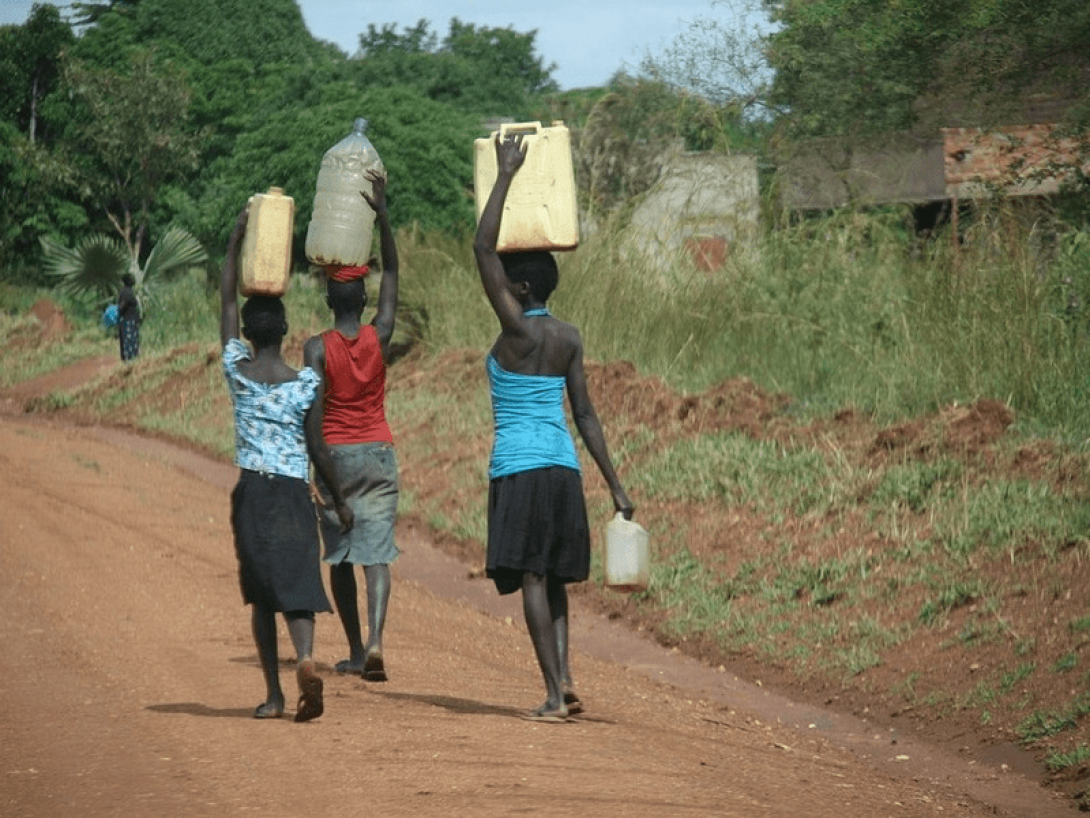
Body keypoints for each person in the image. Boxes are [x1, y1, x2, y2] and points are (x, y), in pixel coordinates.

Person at [473, 133, 635, 722]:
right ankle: (564, 675)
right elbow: (586, 415)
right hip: (564, 468)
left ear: (518, 292)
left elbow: (482, 248)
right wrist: (614, 484)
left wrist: (506, 173)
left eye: (508, 281)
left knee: (534, 580)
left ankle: (551, 693)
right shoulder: (567, 338)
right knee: (558, 579)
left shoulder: (518, 333)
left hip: (518, 467)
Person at [220, 204, 353, 722]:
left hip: (253, 491)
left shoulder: (239, 371)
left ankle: (275, 695)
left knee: (260, 592)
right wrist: (339, 501)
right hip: (296, 492)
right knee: (299, 583)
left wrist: (235, 244)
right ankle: (306, 659)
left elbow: (227, 305)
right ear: (286, 329)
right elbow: (319, 447)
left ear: (248, 336)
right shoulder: (304, 384)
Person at [304, 169, 400, 682]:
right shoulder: (379, 334)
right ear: (362, 303)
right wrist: (383, 216)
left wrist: (317, 475)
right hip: (379, 451)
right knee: (377, 554)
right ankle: (380, 639)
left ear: (328, 302)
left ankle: (358, 650)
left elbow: (313, 420)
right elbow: (394, 280)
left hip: (337, 456)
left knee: (340, 555)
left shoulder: (316, 348)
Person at [117, 272, 141, 361]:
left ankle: (129, 359)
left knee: (128, 340)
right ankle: (132, 358)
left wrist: (118, 311)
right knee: (132, 340)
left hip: (127, 320)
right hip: (131, 319)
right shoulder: (129, 292)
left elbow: (122, 307)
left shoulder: (124, 292)